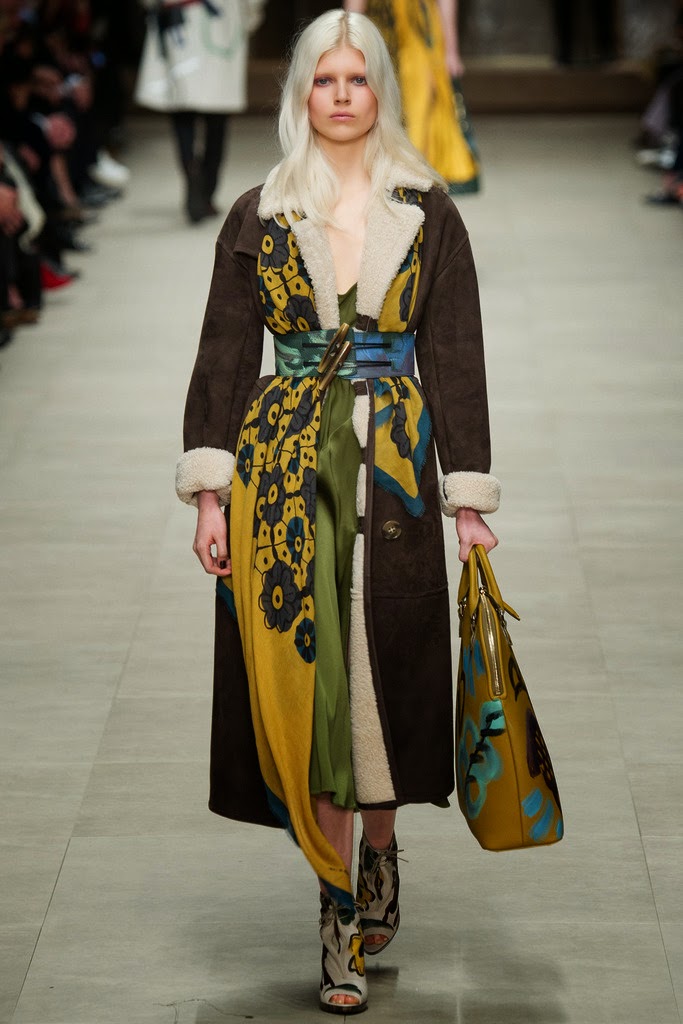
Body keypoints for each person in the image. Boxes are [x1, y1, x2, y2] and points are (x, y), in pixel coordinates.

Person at [176, 9, 499, 1014]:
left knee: (384, 670)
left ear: (379, 91)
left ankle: (379, 852)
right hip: (283, 474)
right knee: (307, 689)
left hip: (394, 468)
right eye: (326, 79)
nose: (343, 95)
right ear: (301, 93)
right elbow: (224, 352)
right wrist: (209, 493)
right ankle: (334, 912)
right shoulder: (260, 212)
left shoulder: (426, 209)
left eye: (358, 79)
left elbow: (455, 353)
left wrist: (468, 498)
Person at [135, 0, 266, 223]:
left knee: (182, 110)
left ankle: (192, 174)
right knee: (217, 114)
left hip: (180, 24)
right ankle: (206, 190)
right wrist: (250, 14)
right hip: (220, 20)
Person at [345, 0, 480, 194]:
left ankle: (413, 177)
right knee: (376, 100)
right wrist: (349, 41)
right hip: (380, 25)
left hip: (419, 30)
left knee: (420, 105)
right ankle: (376, 171)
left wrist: (450, 51)